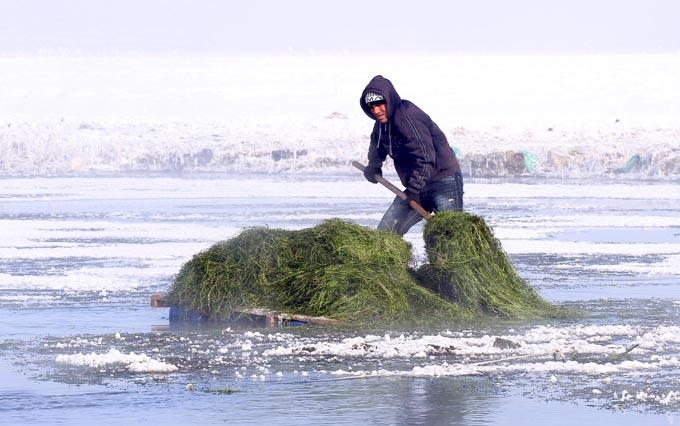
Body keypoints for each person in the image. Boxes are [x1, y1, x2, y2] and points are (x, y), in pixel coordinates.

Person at [360, 75, 464, 235]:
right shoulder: (381, 125)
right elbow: (377, 145)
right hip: (416, 183)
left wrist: (414, 189)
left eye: (379, 104)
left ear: (389, 99)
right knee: (385, 233)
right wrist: (374, 165)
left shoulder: (407, 118)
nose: (376, 110)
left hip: (442, 181)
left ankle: (449, 259)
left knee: (450, 236)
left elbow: (425, 158)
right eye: (371, 107)